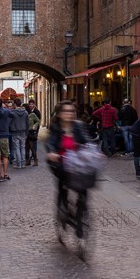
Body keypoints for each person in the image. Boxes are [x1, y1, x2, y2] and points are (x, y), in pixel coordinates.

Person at [46, 100, 88, 238]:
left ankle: (80, 220)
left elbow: (86, 141)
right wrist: (52, 153)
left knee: (84, 190)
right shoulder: (56, 128)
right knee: (63, 185)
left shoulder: (78, 127)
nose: (69, 114)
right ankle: (62, 210)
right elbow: (51, 143)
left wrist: (95, 151)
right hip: (60, 164)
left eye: (71, 111)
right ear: (59, 114)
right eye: (66, 111)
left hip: (77, 165)